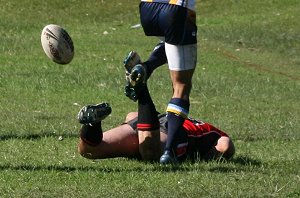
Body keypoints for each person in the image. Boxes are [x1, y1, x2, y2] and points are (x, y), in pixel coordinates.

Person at [124, 0, 198, 164]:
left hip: (147, 8)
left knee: (170, 43)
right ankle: (169, 151)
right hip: (176, 9)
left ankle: (146, 67)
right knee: (181, 87)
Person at [77, 93, 235, 163]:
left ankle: (92, 124)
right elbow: (225, 145)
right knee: (150, 154)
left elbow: (131, 115)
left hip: (149, 119)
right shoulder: (214, 133)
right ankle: (143, 93)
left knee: (89, 151)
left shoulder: (198, 125)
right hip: (175, 133)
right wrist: (202, 159)